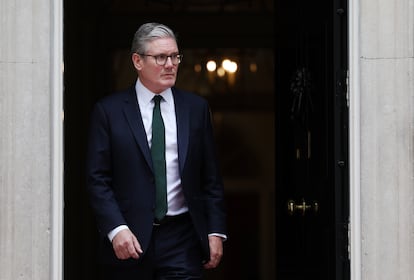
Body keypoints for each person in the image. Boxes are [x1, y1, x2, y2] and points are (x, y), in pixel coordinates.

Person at [86, 22, 227, 280]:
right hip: (129, 240)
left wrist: (215, 231)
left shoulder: (195, 109)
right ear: (137, 61)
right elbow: (97, 179)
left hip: (183, 238)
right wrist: (116, 229)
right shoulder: (109, 111)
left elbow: (211, 178)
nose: (171, 64)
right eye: (161, 57)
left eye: (175, 56)